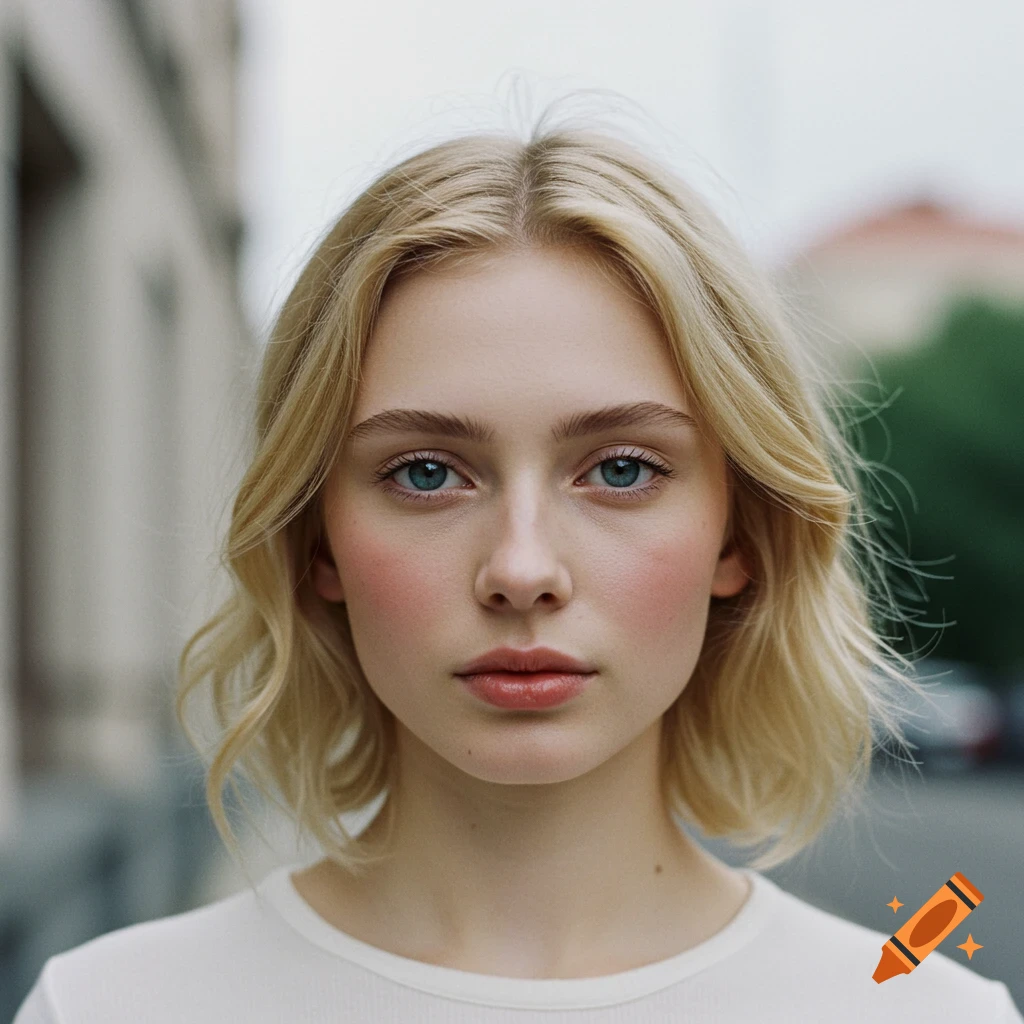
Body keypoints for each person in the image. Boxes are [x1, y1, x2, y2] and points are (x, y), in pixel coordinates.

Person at [14, 101, 1024, 1023]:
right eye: (424, 473)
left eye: (621, 468)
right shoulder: (109, 1007)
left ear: (740, 533)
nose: (522, 567)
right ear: (315, 540)